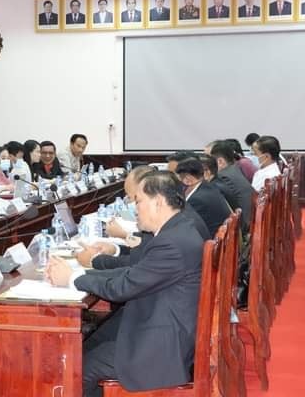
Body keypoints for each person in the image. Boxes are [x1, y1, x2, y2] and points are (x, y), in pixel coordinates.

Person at [47, 171, 204, 397]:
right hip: (159, 321)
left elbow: (122, 288)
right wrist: (80, 272)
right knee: (88, 344)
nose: (134, 208)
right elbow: (133, 272)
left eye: (138, 201)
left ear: (158, 202)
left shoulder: (172, 242)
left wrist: (72, 280)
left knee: (78, 369)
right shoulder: (177, 229)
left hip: (162, 346)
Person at [78, 166, 210, 270]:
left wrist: (94, 260)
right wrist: (115, 249)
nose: (133, 206)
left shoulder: (175, 232)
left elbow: (137, 266)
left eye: (136, 199)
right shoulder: (177, 215)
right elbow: (143, 251)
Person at [175, 158, 231, 237]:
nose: (179, 182)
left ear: (188, 179)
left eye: (180, 178)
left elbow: (185, 227)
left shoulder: (196, 200)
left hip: (210, 240)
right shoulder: (209, 187)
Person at [210, 142, 254, 231]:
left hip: (242, 228)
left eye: (208, 160)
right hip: (250, 220)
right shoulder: (235, 169)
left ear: (220, 161)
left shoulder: (223, 177)